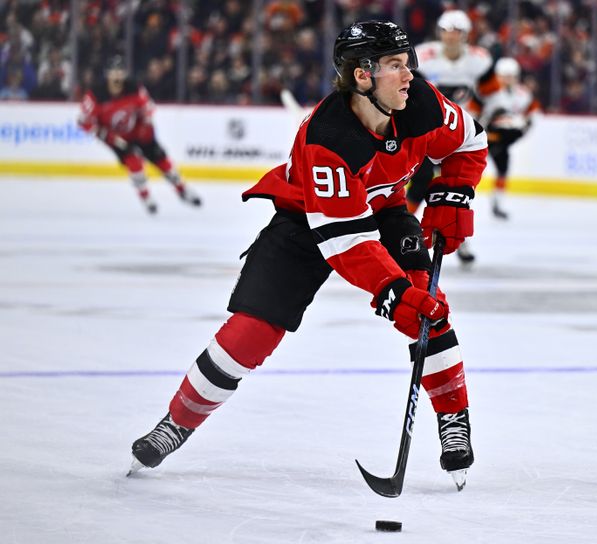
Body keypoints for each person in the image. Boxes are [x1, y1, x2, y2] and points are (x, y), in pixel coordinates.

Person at [128, 21, 487, 491]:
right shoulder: (327, 139)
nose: (410, 75)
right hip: (306, 221)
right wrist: (391, 291)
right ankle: (177, 421)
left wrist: (453, 194)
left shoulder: (421, 103)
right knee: (251, 331)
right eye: (396, 66)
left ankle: (453, 419)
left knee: (428, 309)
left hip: (385, 207)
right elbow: (346, 243)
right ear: (362, 76)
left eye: (408, 63)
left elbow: (471, 140)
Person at [408, 9, 493, 265]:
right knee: (421, 180)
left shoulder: (479, 61)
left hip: (462, 138)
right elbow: (409, 93)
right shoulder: (424, 57)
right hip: (429, 131)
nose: (451, 37)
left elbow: (493, 98)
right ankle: (401, 230)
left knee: (456, 191)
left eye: (457, 32)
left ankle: (459, 241)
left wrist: (484, 125)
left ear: (466, 35)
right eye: (447, 31)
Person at [78, 56, 201, 214]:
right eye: (113, 72)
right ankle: (146, 197)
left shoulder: (134, 88)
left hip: (138, 131)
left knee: (162, 161)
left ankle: (182, 190)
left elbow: (148, 108)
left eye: (120, 72)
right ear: (106, 74)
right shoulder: (96, 95)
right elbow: (84, 122)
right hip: (115, 137)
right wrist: (107, 136)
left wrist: (146, 125)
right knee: (134, 163)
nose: (116, 76)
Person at [478, 57, 539, 219]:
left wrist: (522, 127)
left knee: (503, 170)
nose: (506, 79)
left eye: (510, 76)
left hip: (502, 140)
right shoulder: (488, 92)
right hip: (483, 137)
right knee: (470, 171)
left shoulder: (523, 94)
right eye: (503, 76)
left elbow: (531, 115)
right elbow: (475, 113)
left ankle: (497, 203)